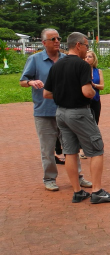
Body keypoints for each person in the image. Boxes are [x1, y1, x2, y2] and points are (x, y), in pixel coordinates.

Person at [43, 32, 110, 204]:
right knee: (96, 149)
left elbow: (47, 93)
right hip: (79, 112)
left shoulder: (57, 65)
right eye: (86, 45)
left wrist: (65, 94)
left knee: (70, 151)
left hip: (61, 113)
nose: (87, 49)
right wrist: (92, 91)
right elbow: (87, 91)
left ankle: (77, 191)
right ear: (78, 45)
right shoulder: (82, 66)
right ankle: (97, 191)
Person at [19, 28, 91, 192]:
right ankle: (50, 178)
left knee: (71, 147)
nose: (57, 41)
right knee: (47, 148)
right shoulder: (35, 59)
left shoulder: (66, 59)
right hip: (44, 112)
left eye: (58, 38)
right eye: (53, 39)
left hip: (66, 110)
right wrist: (31, 82)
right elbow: (23, 81)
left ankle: (78, 177)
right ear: (44, 42)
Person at [79, 51, 104, 159]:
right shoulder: (81, 71)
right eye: (85, 57)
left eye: (90, 57)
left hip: (96, 99)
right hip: (85, 101)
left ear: (94, 59)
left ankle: (92, 147)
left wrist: (94, 85)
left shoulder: (98, 71)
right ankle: (82, 149)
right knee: (84, 125)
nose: (87, 58)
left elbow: (102, 86)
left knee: (94, 123)